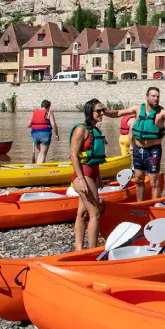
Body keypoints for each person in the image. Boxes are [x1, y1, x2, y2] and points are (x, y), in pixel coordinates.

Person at [110, 87, 165, 201]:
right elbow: (118, 113)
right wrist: (103, 112)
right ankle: (141, 205)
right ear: (147, 97)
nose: (156, 98)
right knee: (139, 179)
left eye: (158, 96)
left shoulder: (162, 112)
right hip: (138, 150)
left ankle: (154, 205)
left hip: (153, 151)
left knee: (154, 180)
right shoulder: (138, 108)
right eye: (153, 96)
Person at [70, 99, 109, 251]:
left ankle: (79, 249)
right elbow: (73, 155)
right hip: (83, 175)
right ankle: (92, 251)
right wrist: (81, 180)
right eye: (98, 111)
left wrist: (98, 176)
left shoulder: (95, 130)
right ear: (90, 112)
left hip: (92, 174)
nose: (101, 113)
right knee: (96, 213)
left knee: (82, 213)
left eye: (102, 110)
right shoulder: (81, 129)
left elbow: (95, 158)